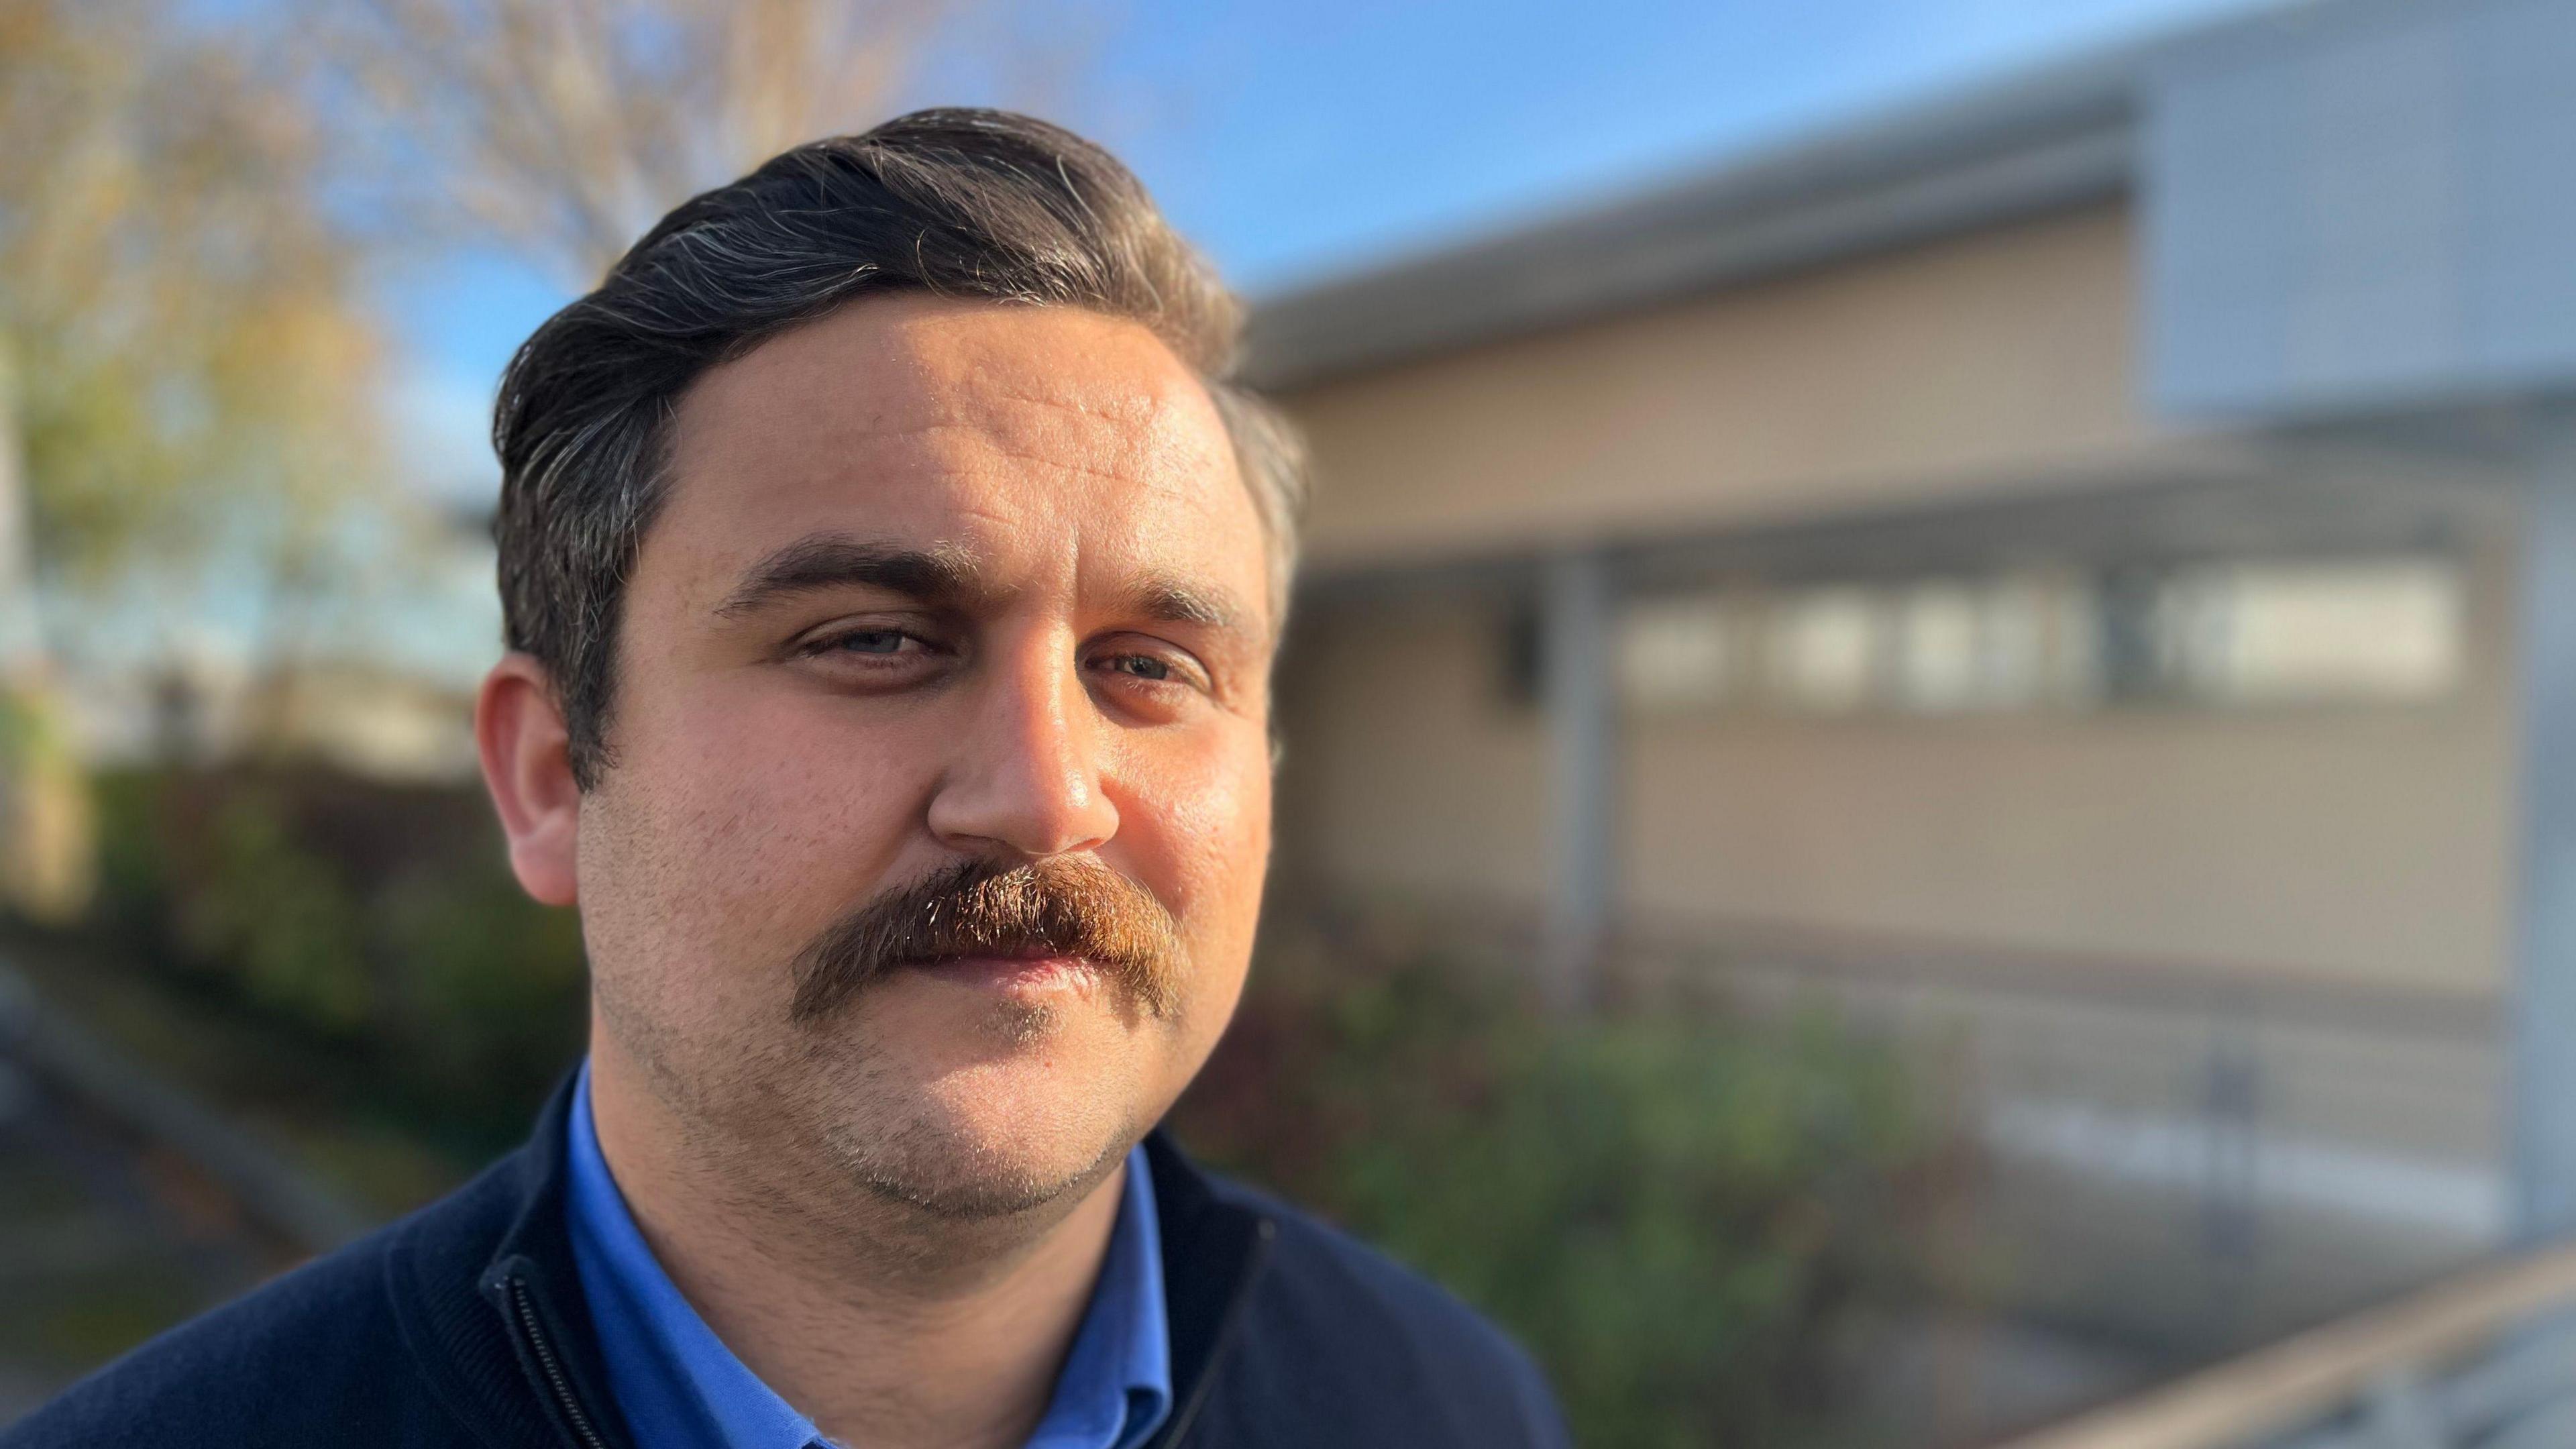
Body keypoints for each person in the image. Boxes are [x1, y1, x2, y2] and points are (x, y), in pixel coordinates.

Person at [2, 109, 1570, 1449]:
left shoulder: (1443, 1407)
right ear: (551, 777)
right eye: (879, 639)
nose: (1043, 796)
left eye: (1148, 668)